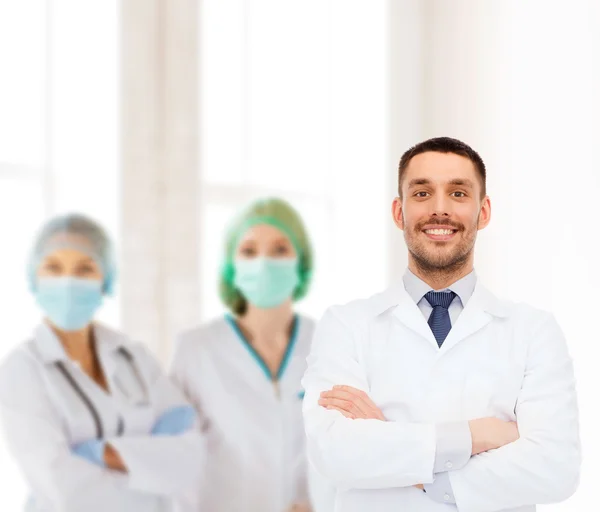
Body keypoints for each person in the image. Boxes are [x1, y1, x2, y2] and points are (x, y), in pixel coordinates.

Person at [302, 137, 581, 512]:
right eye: (421, 193)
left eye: (458, 193)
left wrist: (394, 450)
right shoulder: (346, 326)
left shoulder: (533, 331)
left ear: (483, 212)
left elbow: (554, 468)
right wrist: (478, 435)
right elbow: (334, 453)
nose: (439, 209)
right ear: (399, 212)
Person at [0, 213, 204, 512]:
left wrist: (98, 454)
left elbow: (189, 457)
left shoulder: (134, 357)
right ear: (34, 278)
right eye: (53, 268)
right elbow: (60, 487)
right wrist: (148, 467)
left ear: (105, 279)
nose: (68, 282)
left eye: (85, 269)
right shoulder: (22, 370)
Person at [170, 198, 315, 512]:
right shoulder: (196, 350)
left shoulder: (329, 344)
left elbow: (352, 451)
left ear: (301, 262)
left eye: (280, 250)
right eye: (249, 251)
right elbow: (176, 463)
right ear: (231, 265)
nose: (264, 263)